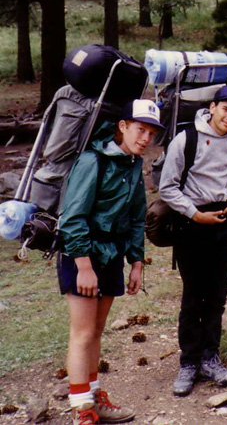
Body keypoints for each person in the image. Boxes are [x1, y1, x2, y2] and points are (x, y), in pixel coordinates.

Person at [59, 99, 163, 425]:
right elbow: (72, 218)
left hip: (111, 257)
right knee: (82, 332)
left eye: (151, 133)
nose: (145, 138)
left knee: (97, 330)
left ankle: (94, 396)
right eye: (140, 129)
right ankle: (82, 410)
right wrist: (84, 266)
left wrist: (136, 261)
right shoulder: (94, 161)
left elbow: (135, 217)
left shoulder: (133, 164)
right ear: (123, 126)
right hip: (82, 257)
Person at [159, 85, 227, 397]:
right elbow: (167, 186)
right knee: (194, 295)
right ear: (213, 107)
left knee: (217, 294)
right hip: (192, 222)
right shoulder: (186, 139)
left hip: (225, 221)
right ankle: (188, 361)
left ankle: (210, 357)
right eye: (226, 109)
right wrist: (193, 214)